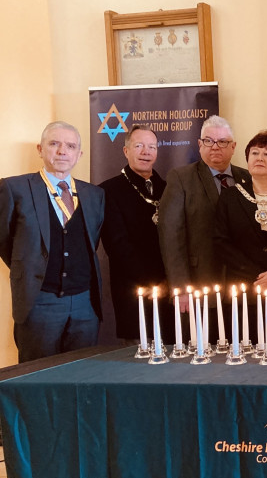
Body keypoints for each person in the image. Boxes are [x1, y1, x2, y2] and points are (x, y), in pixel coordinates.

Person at [0, 122, 104, 362]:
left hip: (85, 304)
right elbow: (5, 240)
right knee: (37, 377)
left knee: (82, 375)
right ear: (40, 149)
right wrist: (29, 265)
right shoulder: (15, 188)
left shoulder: (94, 195)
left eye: (70, 146)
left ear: (79, 154)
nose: (62, 151)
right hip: (39, 302)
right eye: (54, 143)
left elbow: (91, 241)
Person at [159, 115, 250, 295]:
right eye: (209, 141)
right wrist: (181, 289)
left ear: (233, 147)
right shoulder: (181, 178)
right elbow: (171, 237)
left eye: (223, 141)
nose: (215, 146)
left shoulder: (248, 178)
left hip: (242, 286)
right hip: (198, 285)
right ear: (200, 145)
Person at [100, 124, 169, 342]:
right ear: (126, 150)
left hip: (170, 291)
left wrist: (168, 282)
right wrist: (152, 282)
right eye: (138, 145)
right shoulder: (108, 191)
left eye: (151, 147)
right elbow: (117, 245)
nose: (145, 152)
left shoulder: (168, 188)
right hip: (134, 290)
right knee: (137, 358)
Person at [215, 130, 267, 292]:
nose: (259, 158)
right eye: (254, 153)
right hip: (243, 289)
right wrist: (257, 276)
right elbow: (221, 242)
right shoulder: (230, 196)